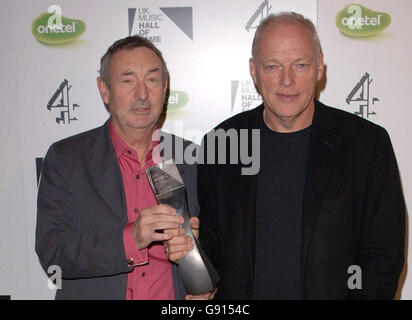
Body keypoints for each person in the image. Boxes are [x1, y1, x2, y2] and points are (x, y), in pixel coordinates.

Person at [195, 12, 405, 299]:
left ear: (320, 67)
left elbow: (383, 256)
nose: (287, 80)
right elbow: (210, 250)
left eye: (301, 65)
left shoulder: (366, 145)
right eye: (272, 66)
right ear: (254, 71)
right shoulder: (221, 144)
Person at [35, 35, 208, 300]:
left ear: (165, 88)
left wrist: (203, 279)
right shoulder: (67, 159)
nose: (142, 94)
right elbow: (52, 252)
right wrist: (131, 240)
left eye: (152, 80)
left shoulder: (190, 158)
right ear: (104, 90)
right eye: (127, 80)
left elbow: (217, 247)